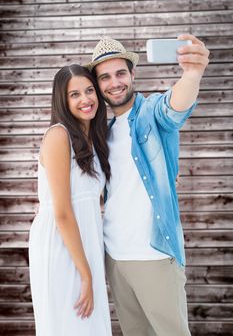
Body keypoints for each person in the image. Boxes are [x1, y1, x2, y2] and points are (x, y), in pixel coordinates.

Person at [86, 35, 209, 336]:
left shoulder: (150, 114)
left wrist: (192, 74)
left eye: (120, 73)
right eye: (105, 77)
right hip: (115, 257)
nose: (114, 83)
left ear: (132, 75)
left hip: (153, 255)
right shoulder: (103, 132)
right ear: (98, 85)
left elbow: (174, 107)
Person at [29, 64, 112, 336]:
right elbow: (62, 212)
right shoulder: (58, 136)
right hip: (60, 244)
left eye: (89, 90)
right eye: (74, 94)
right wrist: (86, 274)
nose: (85, 99)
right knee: (69, 324)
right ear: (62, 101)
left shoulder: (93, 139)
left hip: (85, 242)